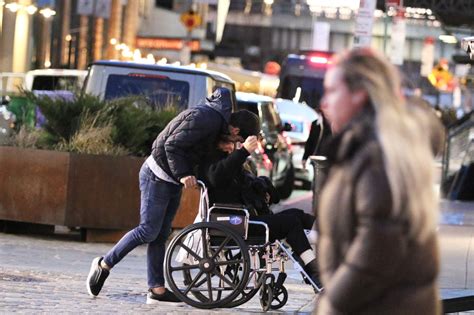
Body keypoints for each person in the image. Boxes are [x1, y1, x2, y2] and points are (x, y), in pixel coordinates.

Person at [86, 88, 242, 304]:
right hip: (157, 175)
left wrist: (220, 148)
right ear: (234, 127)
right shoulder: (206, 118)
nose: (235, 140)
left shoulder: (212, 122)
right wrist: (184, 174)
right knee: (147, 231)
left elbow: (196, 149)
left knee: (161, 234)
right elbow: (173, 145)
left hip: (169, 179)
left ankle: (156, 290)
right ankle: (104, 264)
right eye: (238, 136)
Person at [315, 48, 441, 314]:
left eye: (332, 91)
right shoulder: (366, 146)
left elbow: (376, 249)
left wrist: (332, 303)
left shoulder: (375, 153)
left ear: (359, 93)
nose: (324, 103)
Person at [198, 110, 320, 286]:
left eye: (234, 144)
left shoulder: (230, 161)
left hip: (247, 216)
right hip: (236, 221)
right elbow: (217, 177)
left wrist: (262, 188)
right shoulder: (213, 161)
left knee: (297, 215)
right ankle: (313, 269)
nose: (232, 147)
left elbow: (244, 185)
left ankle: (328, 236)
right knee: (291, 222)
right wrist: (242, 153)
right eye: (229, 143)